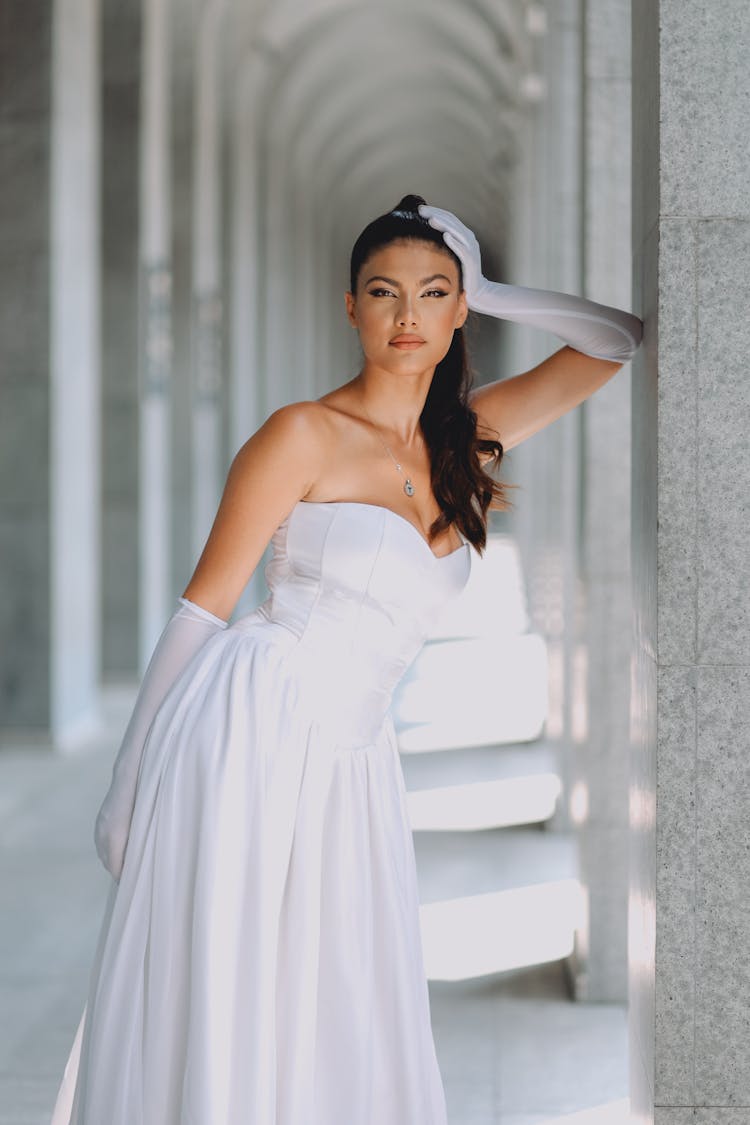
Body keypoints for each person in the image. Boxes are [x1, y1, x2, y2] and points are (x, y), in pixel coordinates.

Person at [50, 194, 643, 1124]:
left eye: (433, 294)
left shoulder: (467, 439)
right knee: (240, 989)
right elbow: (201, 613)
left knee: (334, 996)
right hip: (254, 726)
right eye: (384, 292)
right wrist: (130, 786)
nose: (408, 316)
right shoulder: (302, 434)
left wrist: (493, 286)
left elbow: (616, 342)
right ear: (351, 306)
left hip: (358, 759)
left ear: (458, 315)